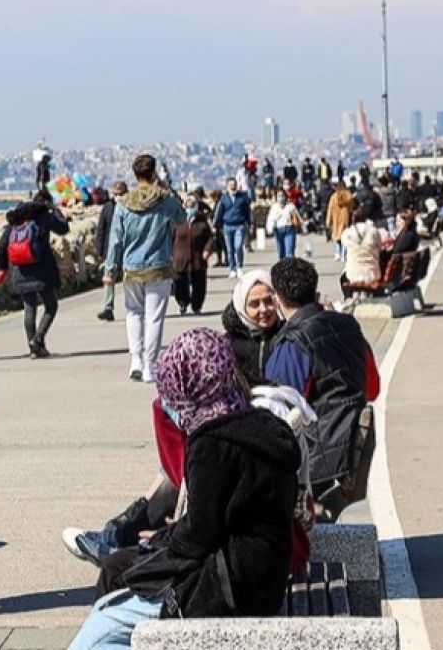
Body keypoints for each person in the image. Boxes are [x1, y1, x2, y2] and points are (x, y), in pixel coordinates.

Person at [67, 329, 300, 650]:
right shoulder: (259, 423)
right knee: (117, 574)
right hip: (262, 579)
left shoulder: (214, 441)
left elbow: (198, 537)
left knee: (104, 623)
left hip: (229, 588)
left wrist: (151, 556)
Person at [265, 258, 380, 522]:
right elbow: (373, 387)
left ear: (277, 298)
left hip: (316, 458)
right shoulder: (349, 326)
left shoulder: (292, 343)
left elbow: (280, 415)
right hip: (351, 445)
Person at [103, 154, 185, 383]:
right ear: (153, 173)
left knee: (133, 314)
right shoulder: (165, 200)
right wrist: (167, 188)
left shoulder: (123, 204)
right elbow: (182, 219)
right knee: (154, 318)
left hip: (131, 268)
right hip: (158, 267)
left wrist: (110, 269)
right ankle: (151, 365)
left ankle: (135, 360)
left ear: (135, 174)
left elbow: (115, 240)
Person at [0, 190, 69, 358]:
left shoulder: (16, 220)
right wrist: (55, 210)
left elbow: (2, 244)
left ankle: (34, 349)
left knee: (29, 309)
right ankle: (37, 339)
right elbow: (63, 228)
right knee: (51, 306)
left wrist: (3, 267)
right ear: (46, 202)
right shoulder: (44, 217)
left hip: (20, 271)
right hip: (42, 271)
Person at [222, 270, 284, 379]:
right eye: (255, 304)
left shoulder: (288, 335)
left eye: (268, 301)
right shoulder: (228, 344)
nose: (264, 309)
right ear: (242, 307)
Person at [172, 194, 213, 315]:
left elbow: (210, 238)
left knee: (199, 284)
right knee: (180, 283)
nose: (189, 206)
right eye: (187, 204)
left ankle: (197, 306)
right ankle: (183, 303)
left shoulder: (202, 221)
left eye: (192, 204)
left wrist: (207, 250)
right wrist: (169, 254)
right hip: (180, 257)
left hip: (197, 258)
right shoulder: (177, 220)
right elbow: (169, 238)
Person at [95, 181, 129, 321]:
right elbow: (101, 229)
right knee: (109, 278)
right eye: (115, 194)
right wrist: (100, 250)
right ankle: (108, 307)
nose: (118, 197)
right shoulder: (108, 208)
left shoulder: (130, 207)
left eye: (120, 194)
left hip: (127, 248)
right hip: (110, 248)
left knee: (130, 279)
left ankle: (133, 307)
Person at [212, 177, 253, 279]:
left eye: (234, 184)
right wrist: (215, 225)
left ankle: (239, 267)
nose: (233, 186)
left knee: (238, 246)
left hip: (239, 225)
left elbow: (247, 212)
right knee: (229, 249)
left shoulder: (243, 198)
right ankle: (232, 268)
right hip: (227, 226)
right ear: (227, 186)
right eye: (230, 185)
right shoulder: (223, 199)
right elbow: (218, 213)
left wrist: (250, 223)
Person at [339, 211, 382, 285]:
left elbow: (344, 245)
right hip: (372, 273)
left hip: (352, 273)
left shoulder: (347, 233)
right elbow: (380, 247)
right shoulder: (374, 231)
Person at [264, 190, 301, 261]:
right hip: (278, 230)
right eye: (279, 196)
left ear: (286, 196)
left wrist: (302, 224)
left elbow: (298, 217)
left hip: (289, 229)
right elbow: (270, 219)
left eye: (282, 195)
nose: (281, 197)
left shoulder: (290, 206)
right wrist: (269, 229)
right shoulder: (274, 207)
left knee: (289, 253)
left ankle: (290, 270)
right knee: (281, 253)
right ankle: (282, 269)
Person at [325, 183, 354, 261]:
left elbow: (330, 209)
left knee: (337, 238)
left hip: (336, 219)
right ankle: (344, 255)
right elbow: (352, 207)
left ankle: (337, 253)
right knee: (345, 237)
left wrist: (328, 220)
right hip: (345, 218)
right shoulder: (348, 195)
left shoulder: (333, 196)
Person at [206, 190, 227, 267]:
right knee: (220, 245)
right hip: (219, 226)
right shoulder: (218, 203)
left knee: (222, 244)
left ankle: (223, 260)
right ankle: (221, 260)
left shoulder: (220, 204)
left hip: (220, 226)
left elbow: (216, 214)